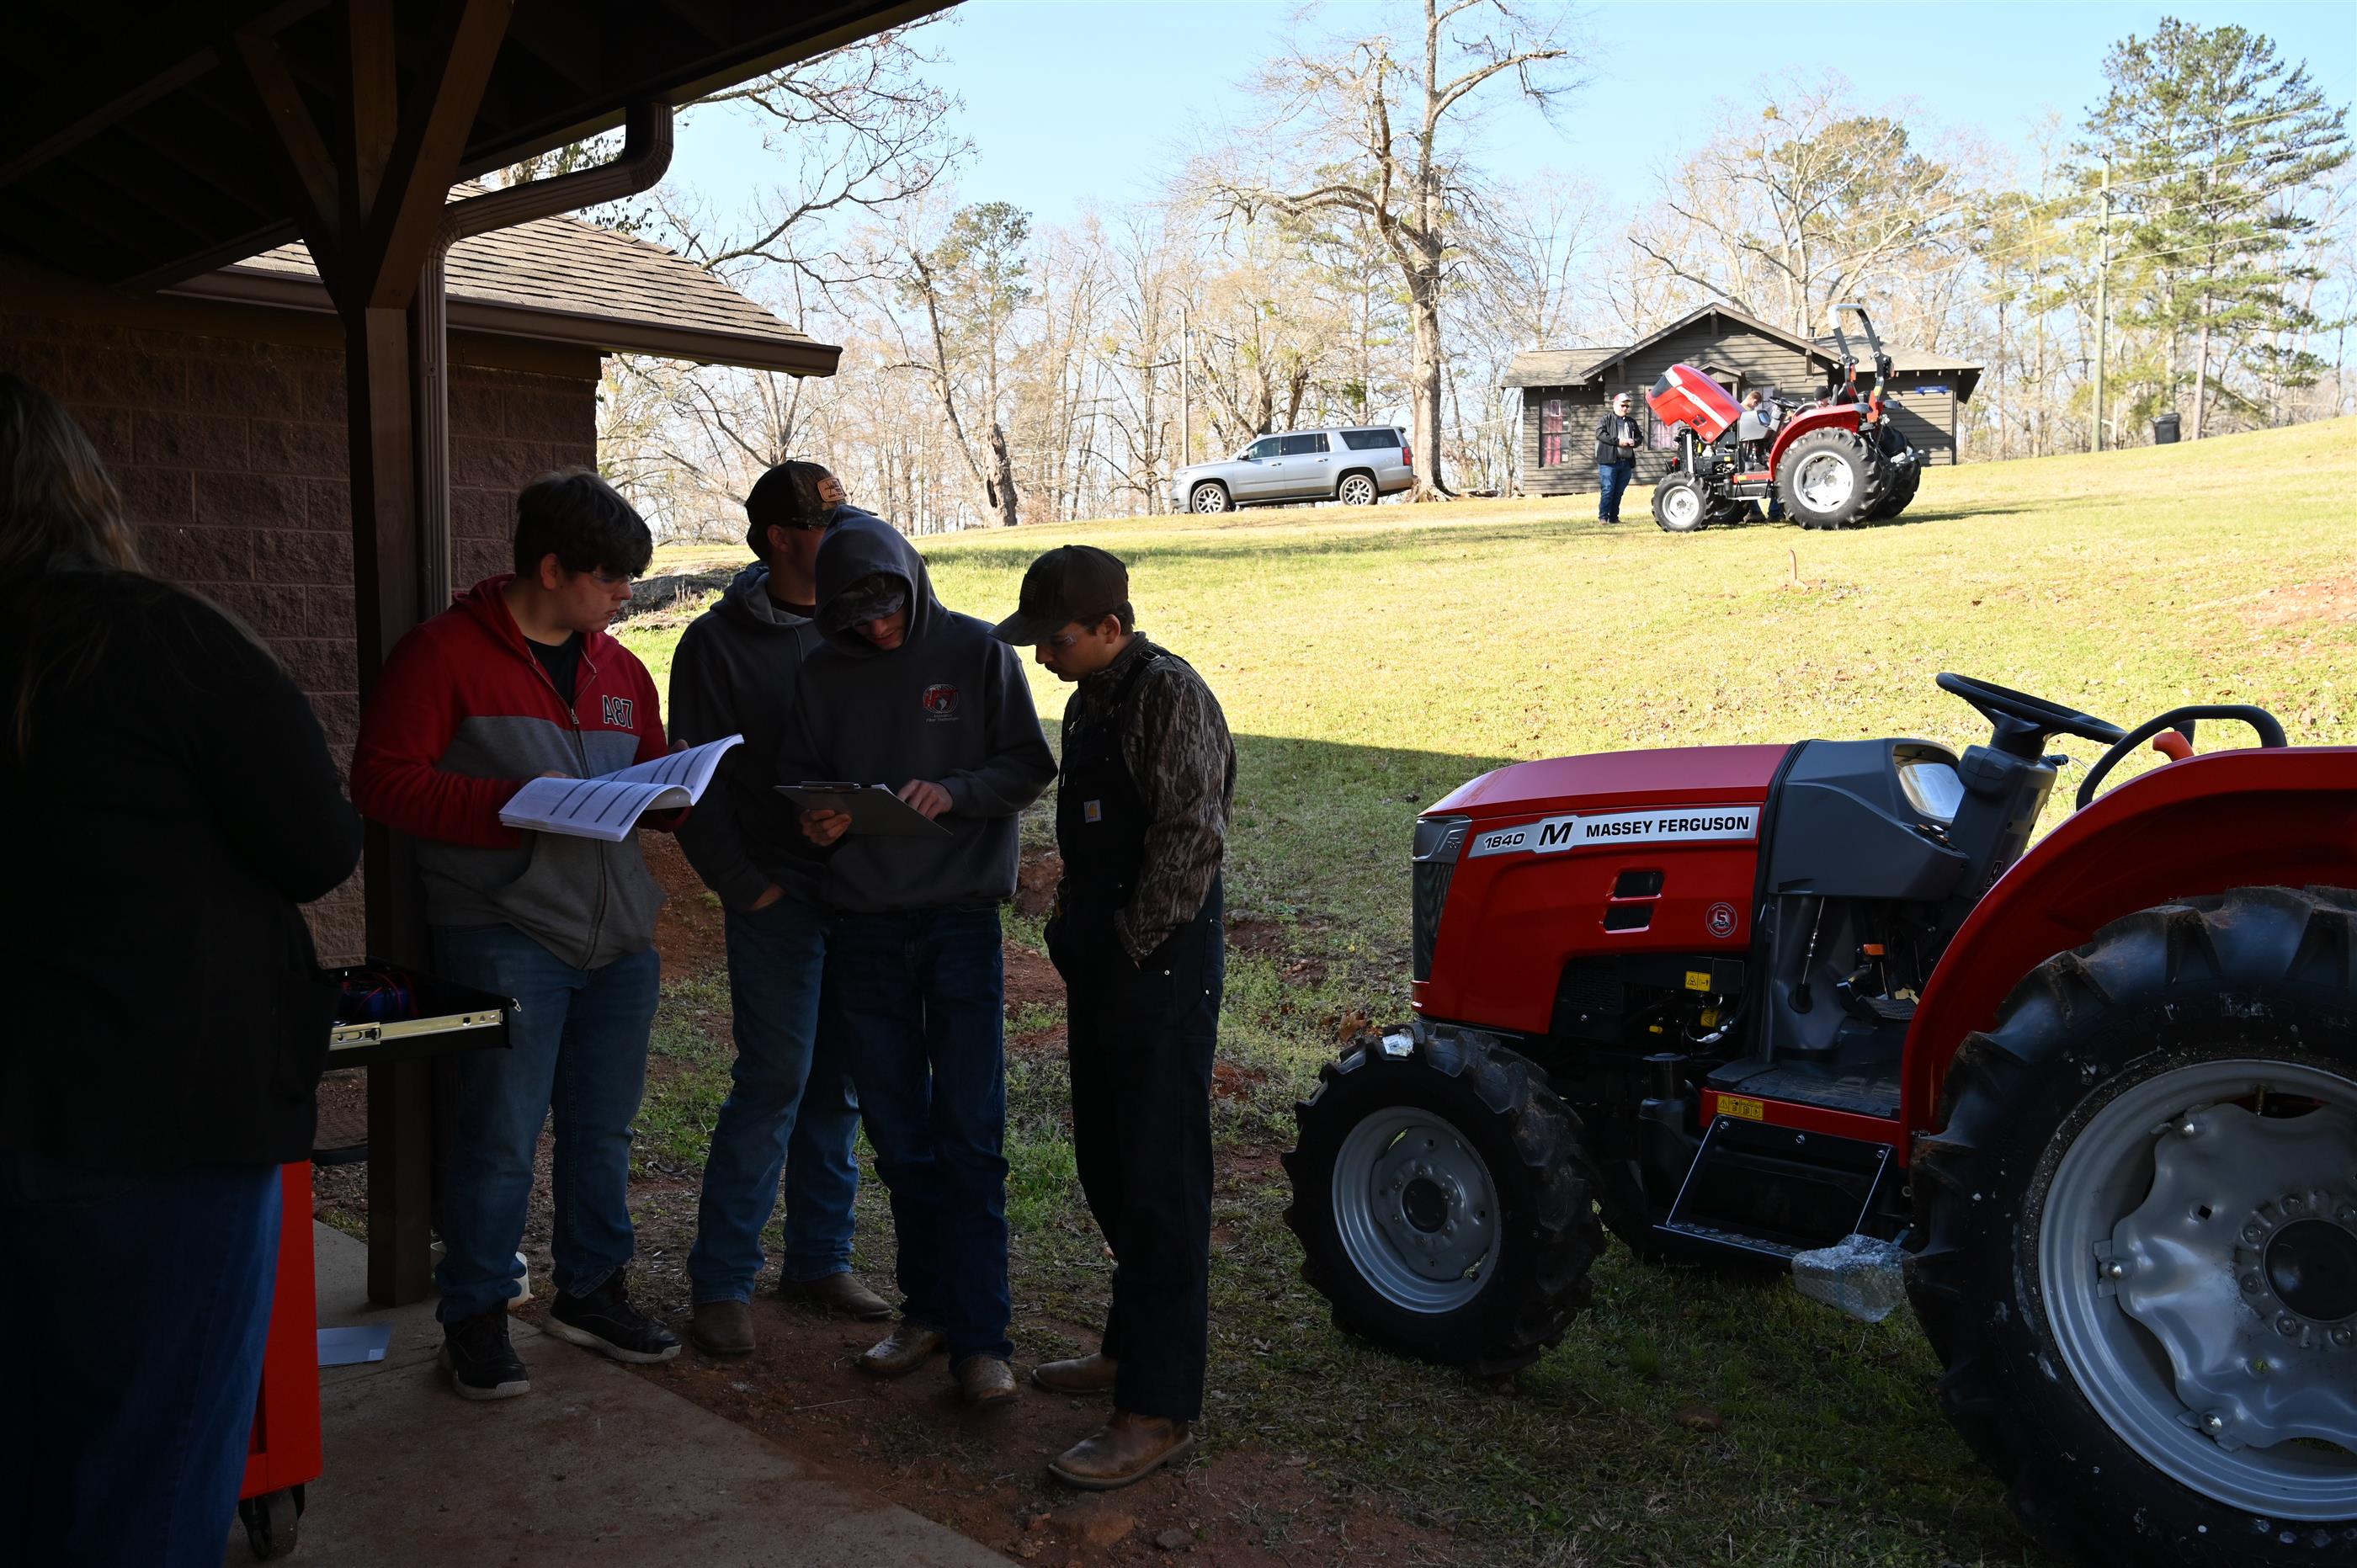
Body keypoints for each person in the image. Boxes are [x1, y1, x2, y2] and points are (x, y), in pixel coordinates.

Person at [0, 374, 362, 1563]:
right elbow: (315, 846)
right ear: (78, 487)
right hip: (160, 1126)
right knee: (146, 1484)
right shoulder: (161, 637)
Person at [350, 470, 683, 1401]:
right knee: (499, 1135)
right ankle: (476, 1315)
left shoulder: (621, 670)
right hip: (505, 932)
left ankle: (591, 1292)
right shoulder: (442, 655)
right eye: (611, 578)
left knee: (603, 1131)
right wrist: (517, 806)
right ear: (551, 568)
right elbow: (381, 782)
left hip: (621, 937)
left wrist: (676, 794)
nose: (626, 596)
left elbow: (648, 770)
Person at [785, 516, 1056, 1408]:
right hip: (863, 924)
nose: (875, 629)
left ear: (913, 580)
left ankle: (982, 1340)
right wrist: (820, 821)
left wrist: (956, 790)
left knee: (969, 1136)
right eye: (854, 617)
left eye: (887, 609)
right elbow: (803, 779)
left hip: (960, 921)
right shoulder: (820, 672)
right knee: (899, 1135)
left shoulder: (978, 651)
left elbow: (1028, 764)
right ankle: (927, 1310)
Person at [992, 546, 1235, 1491]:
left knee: (1160, 1180)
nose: (1042, 656)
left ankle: (1157, 1407)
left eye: (1055, 640)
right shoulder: (1089, 696)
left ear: (1110, 628)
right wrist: (1074, 931)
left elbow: (1192, 834)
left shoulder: (1169, 694)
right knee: (1107, 1161)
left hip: (1160, 966)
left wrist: (1131, 941)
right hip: (1104, 961)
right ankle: (1127, 1345)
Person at [668, 460, 891, 1357]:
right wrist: (742, 882)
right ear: (779, 539)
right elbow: (696, 779)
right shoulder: (714, 644)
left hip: (862, 896)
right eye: (823, 526)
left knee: (838, 1083)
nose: (842, 537)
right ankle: (722, 1283)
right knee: (773, 1081)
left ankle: (819, 1260)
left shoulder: (867, 621)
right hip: (776, 896)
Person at [1738, 389, 1785, 522]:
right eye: (1756, 404)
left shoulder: (1741, 410)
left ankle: (1759, 511)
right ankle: (1771, 511)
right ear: (1754, 401)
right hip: (1749, 452)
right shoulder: (1746, 411)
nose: (1756, 407)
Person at [1594, 391, 1641, 524]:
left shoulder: (1631, 422)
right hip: (1608, 462)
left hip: (1626, 463)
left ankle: (1614, 518)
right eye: (1622, 405)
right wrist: (1619, 442)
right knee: (1608, 490)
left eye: (1627, 406)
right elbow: (1600, 434)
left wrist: (1634, 442)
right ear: (1615, 405)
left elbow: (1639, 437)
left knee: (1619, 491)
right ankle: (1603, 517)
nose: (1625, 408)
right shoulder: (1605, 420)